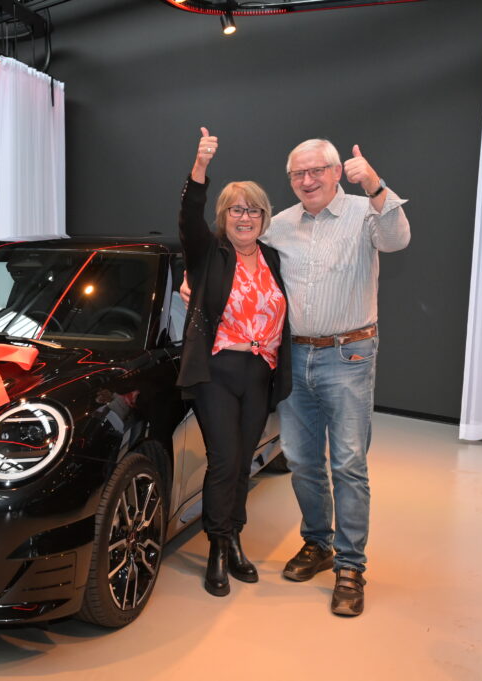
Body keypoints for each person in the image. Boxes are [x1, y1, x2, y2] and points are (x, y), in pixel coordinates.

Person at [182, 138, 410, 616]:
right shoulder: (276, 228)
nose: (308, 180)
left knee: (347, 462)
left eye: (316, 171)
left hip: (345, 355)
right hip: (287, 360)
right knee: (301, 461)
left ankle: (350, 566)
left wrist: (374, 184)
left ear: (335, 171)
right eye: (298, 174)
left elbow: (397, 239)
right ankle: (315, 542)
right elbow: (205, 239)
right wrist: (194, 279)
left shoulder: (360, 213)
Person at [178, 127, 291, 598]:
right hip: (218, 373)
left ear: (264, 217)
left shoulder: (274, 259)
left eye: (253, 210)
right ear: (224, 216)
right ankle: (218, 549)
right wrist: (200, 166)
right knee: (224, 461)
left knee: (244, 462)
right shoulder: (211, 254)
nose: (245, 217)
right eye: (236, 210)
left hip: (260, 373)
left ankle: (235, 537)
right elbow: (188, 217)